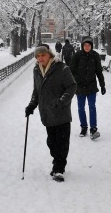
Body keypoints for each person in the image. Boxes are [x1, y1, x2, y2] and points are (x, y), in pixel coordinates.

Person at [25, 43, 77, 182]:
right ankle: (57, 161)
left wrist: (61, 102)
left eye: (43, 55)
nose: (40, 58)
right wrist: (31, 105)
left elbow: (72, 86)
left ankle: (59, 168)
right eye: (38, 56)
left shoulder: (62, 68)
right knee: (52, 142)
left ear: (50, 55)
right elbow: (37, 91)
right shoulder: (36, 70)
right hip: (47, 113)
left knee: (62, 142)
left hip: (61, 112)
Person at [70, 37, 105, 139]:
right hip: (80, 87)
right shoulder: (77, 55)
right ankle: (84, 127)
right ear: (82, 45)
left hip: (91, 86)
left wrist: (102, 85)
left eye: (89, 45)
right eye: (85, 45)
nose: (87, 47)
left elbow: (99, 71)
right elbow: (71, 71)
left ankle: (93, 129)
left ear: (91, 46)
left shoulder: (95, 56)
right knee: (81, 108)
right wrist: (75, 81)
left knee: (92, 107)